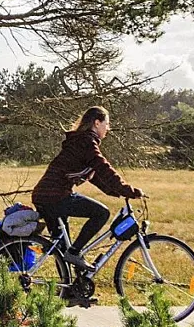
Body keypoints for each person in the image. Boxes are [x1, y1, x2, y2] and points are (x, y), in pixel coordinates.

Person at [31, 106, 142, 259]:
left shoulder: (80, 141)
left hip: (44, 195)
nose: (108, 128)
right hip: (55, 196)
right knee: (101, 213)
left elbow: (95, 176)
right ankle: (75, 253)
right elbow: (104, 168)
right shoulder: (86, 141)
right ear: (97, 122)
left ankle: (70, 280)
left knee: (62, 248)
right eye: (107, 124)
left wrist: (116, 191)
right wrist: (126, 189)